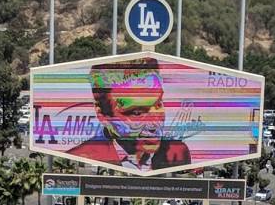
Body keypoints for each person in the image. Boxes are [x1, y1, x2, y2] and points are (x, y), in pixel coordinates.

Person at [39, 55, 196, 170]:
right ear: (103, 116)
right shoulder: (83, 158)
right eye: (137, 113)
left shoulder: (177, 152)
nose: (154, 124)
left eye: (158, 104)